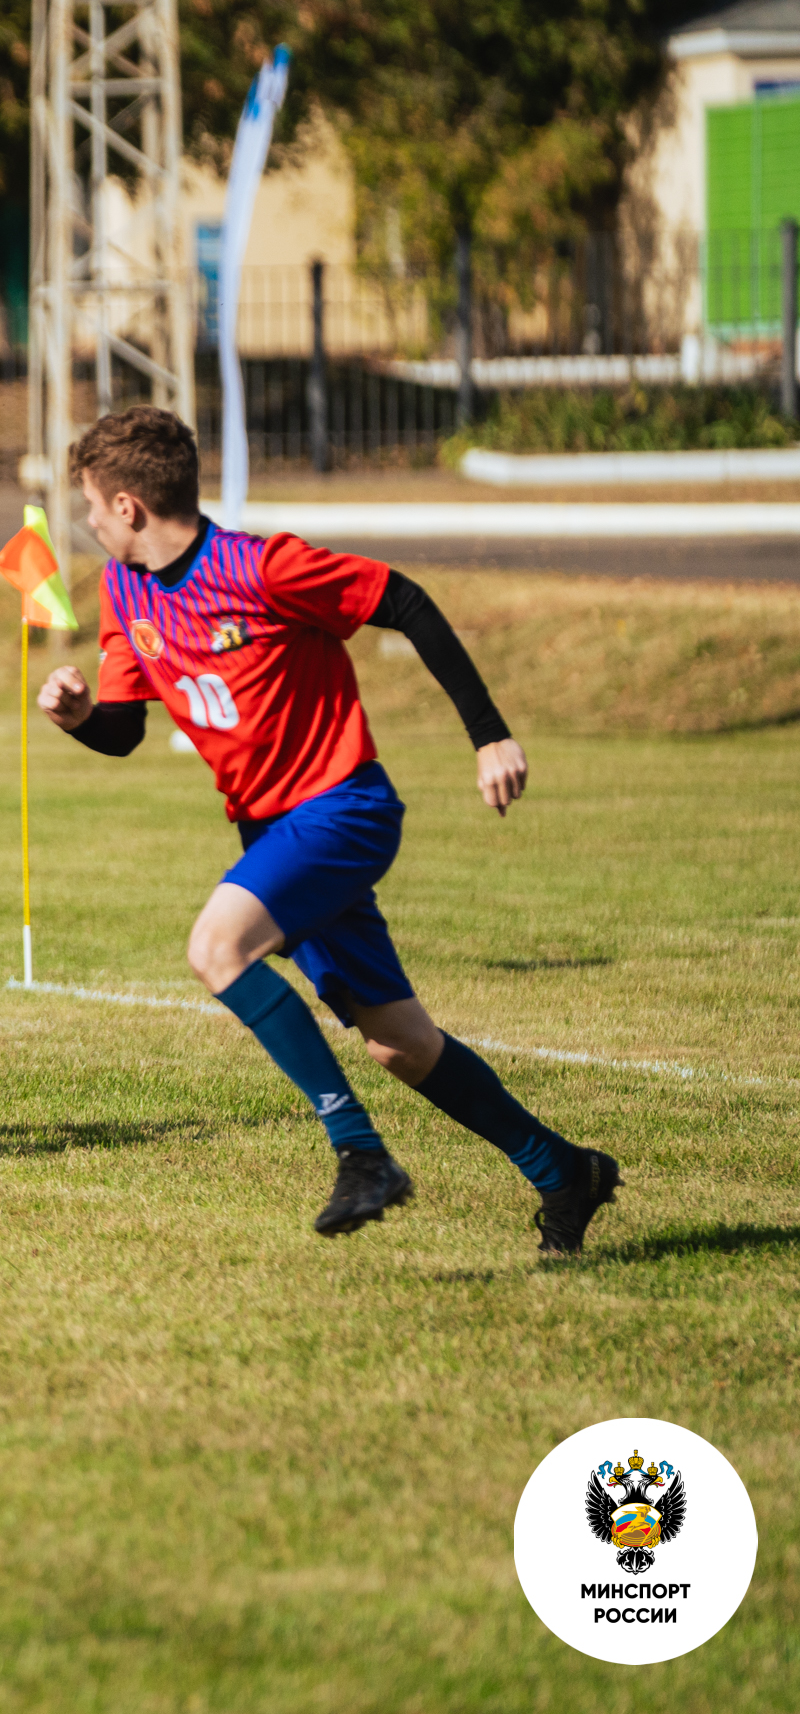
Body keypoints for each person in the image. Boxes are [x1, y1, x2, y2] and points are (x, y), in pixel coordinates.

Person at [35, 406, 618, 1253]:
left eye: (90, 505)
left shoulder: (263, 567)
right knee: (400, 1046)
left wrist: (489, 732)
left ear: (128, 507)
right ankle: (563, 1170)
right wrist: (80, 715)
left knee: (216, 949)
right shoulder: (123, 590)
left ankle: (360, 1152)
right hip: (269, 835)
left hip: (343, 809)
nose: (86, 523)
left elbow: (406, 602)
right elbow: (124, 730)